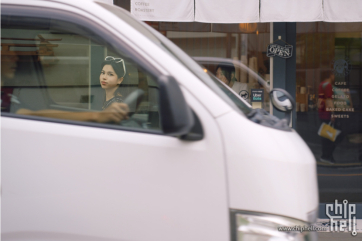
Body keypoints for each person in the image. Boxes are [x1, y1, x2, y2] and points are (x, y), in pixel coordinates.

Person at [1, 50, 129, 123]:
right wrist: (97, 116)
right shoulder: (3, 99)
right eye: (5, 49)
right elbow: (33, 115)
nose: (15, 58)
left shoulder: (8, 91)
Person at [318, 71, 338, 164]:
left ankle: (325, 156)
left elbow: (320, 100)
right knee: (330, 136)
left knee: (325, 135)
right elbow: (329, 100)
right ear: (330, 75)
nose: (334, 77)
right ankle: (327, 156)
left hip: (322, 112)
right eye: (334, 74)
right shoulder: (328, 85)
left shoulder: (321, 84)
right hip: (327, 113)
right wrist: (333, 113)